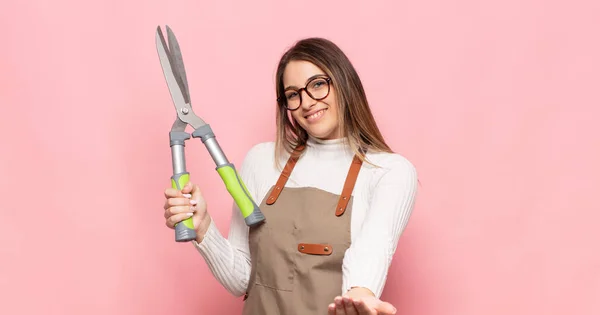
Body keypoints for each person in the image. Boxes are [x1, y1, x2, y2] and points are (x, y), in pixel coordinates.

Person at [163, 37, 418, 315]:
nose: (307, 102)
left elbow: (372, 248)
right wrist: (203, 228)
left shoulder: (389, 172)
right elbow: (241, 280)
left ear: (344, 82)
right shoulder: (261, 161)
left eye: (318, 84)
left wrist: (361, 293)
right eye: (293, 95)